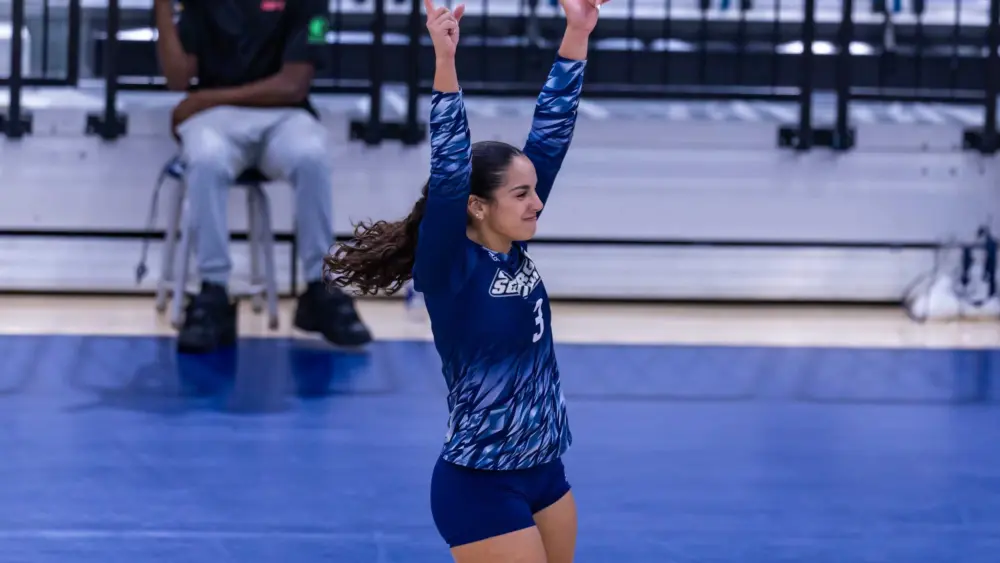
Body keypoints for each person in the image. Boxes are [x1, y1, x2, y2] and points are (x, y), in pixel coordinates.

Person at [322, 0, 601, 559]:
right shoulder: (448, 266)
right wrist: (445, 62)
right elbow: (449, 168)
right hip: (480, 485)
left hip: (546, 469)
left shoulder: (513, 246)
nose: (537, 203)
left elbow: (552, 131)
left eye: (535, 191)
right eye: (521, 194)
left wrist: (577, 32)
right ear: (476, 206)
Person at [153, 0, 372, 353]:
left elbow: (293, 86)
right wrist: (162, 8)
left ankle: (319, 289)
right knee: (206, 160)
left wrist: (203, 100)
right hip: (216, 120)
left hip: (283, 114)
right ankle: (213, 291)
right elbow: (178, 78)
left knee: (311, 156)